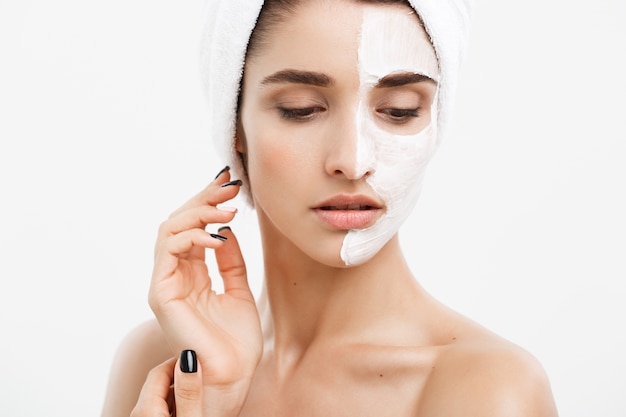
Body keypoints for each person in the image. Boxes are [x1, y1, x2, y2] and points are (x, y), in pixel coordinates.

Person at [101, 0, 559, 415]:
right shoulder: (164, 363)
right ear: (234, 124)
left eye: (399, 110)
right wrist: (212, 402)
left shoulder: (487, 391)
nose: (353, 160)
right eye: (301, 109)